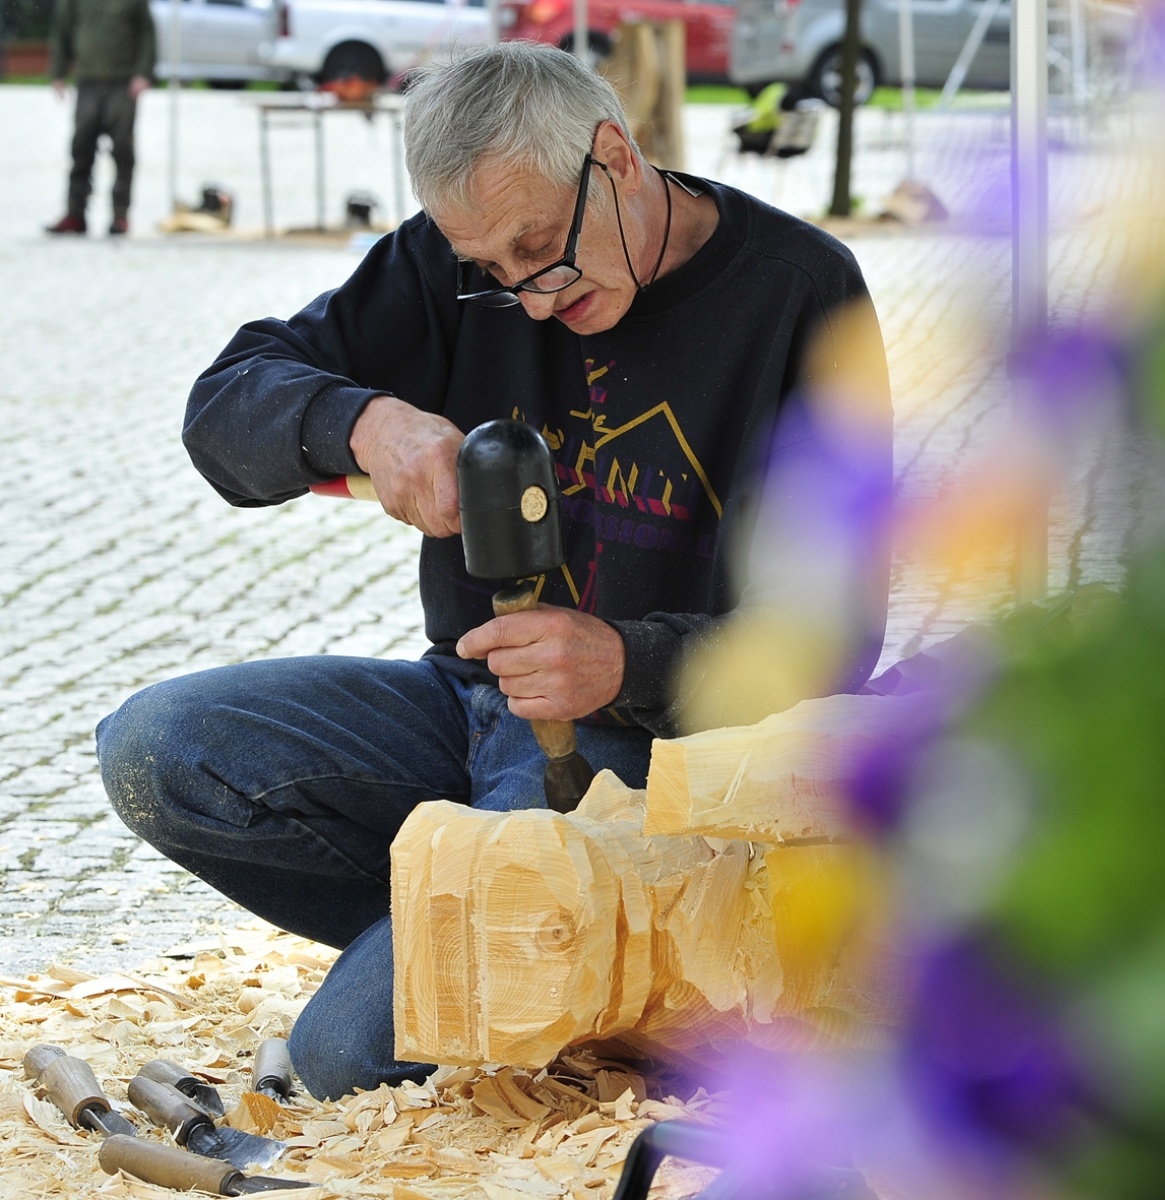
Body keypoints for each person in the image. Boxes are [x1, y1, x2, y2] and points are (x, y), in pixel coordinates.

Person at [97, 42, 892, 1100]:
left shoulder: (801, 294)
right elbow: (225, 405)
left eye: (540, 250)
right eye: (494, 271)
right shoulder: (459, 262)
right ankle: (544, 948)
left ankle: (567, 948)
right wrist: (362, 423)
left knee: (347, 1056)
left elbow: (836, 634)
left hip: (645, 751)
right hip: (467, 696)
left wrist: (624, 660)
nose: (531, 300)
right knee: (156, 748)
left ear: (615, 156)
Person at [45, 0, 157, 236]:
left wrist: (143, 72)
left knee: (123, 151)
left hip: (122, 83)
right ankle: (75, 214)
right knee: (81, 148)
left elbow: (147, 33)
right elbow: (63, 30)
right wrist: (58, 72)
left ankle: (120, 215)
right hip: (88, 81)